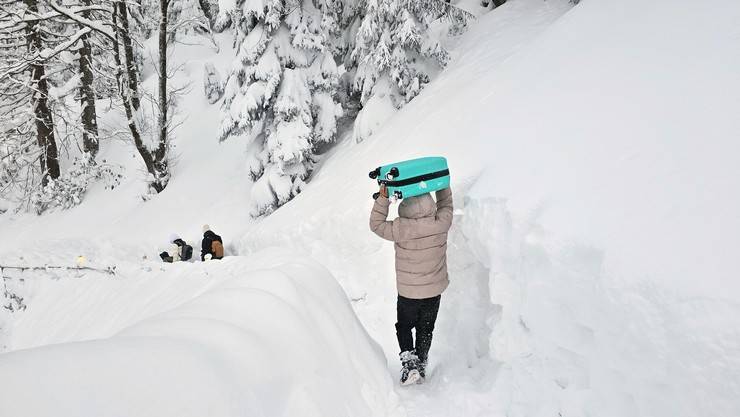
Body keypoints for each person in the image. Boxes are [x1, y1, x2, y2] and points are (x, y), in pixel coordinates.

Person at [369, 184, 453, 385]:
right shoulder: (440, 222)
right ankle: (421, 363)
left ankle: (409, 363)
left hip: (408, 293)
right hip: (434, 290)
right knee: (426, 328)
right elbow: (447, 204)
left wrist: (383, 197)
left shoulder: (400, 228)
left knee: (404, 326)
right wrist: (442, 184)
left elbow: (376, 224)